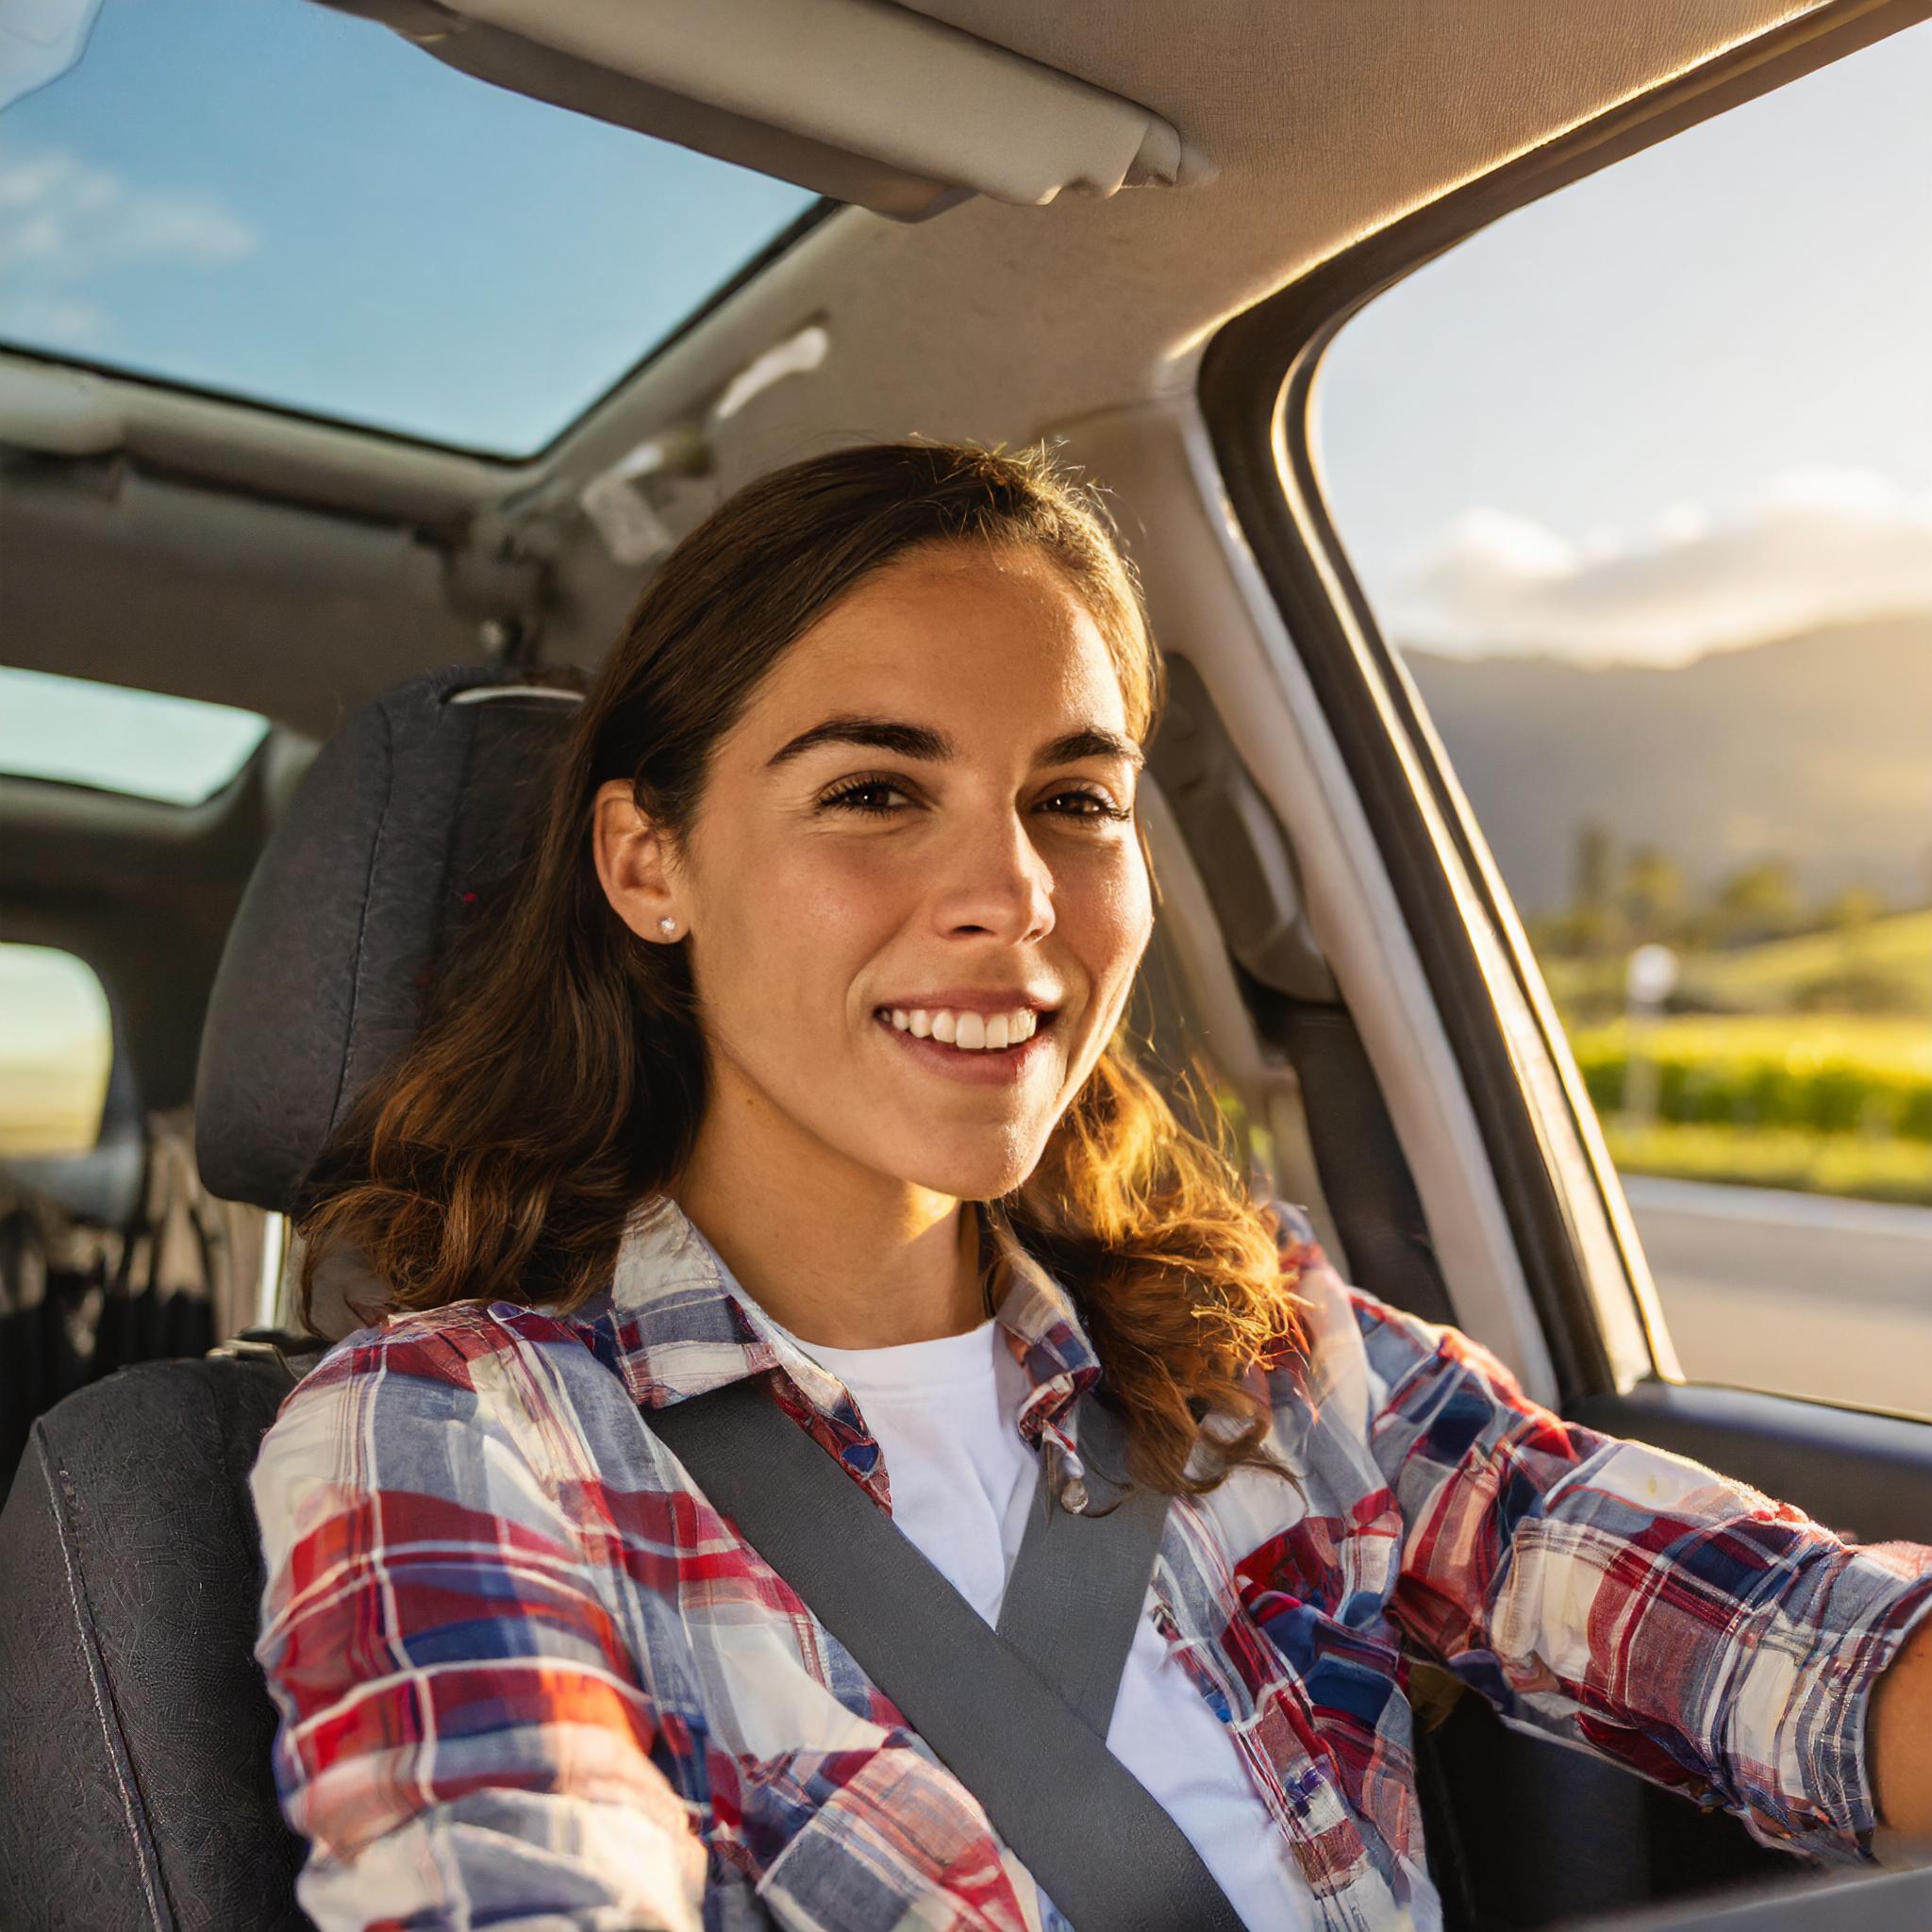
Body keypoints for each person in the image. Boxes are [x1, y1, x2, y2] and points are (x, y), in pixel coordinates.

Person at [251, 441, 1932, 1932]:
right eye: (875, 793)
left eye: (1073, 800)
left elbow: (1789, 1647)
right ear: (650, 862)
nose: (1011, 893)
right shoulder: (456, 1433)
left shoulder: (1257, 1342)